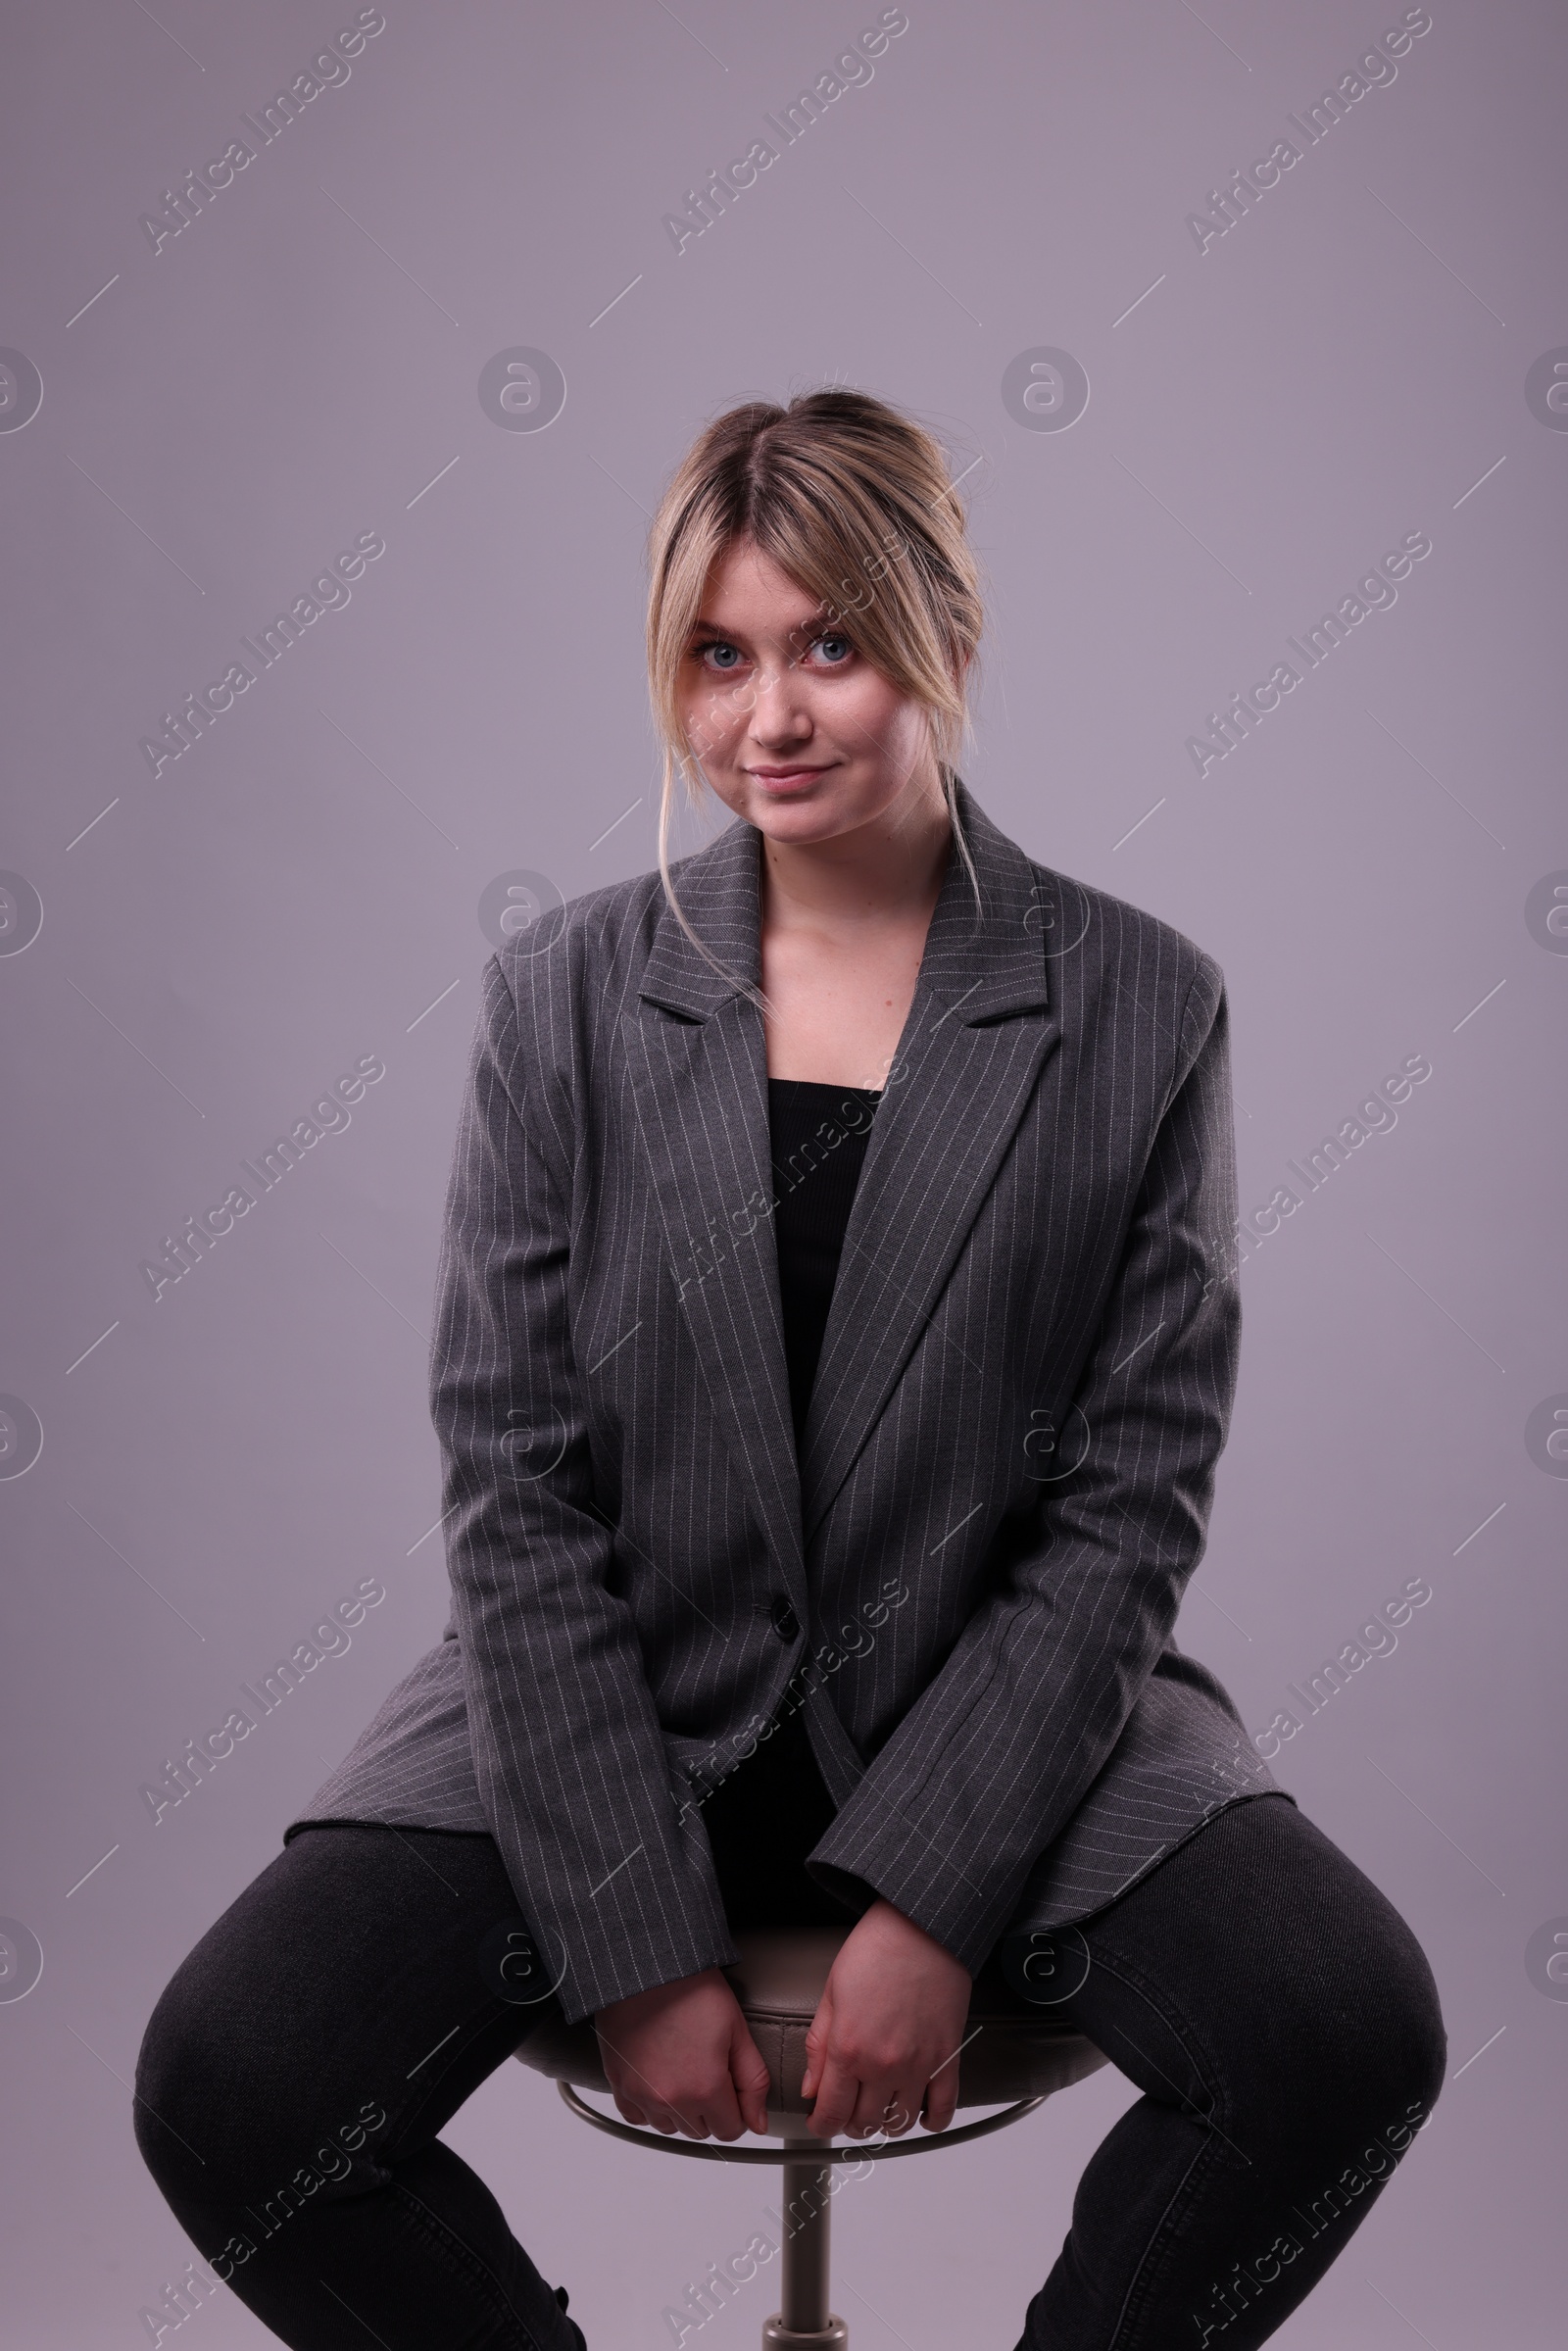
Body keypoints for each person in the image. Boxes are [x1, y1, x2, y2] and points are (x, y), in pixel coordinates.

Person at [134, 388, 1446, 2350]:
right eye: (719, 655)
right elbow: (513, 1485)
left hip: (1005, 1693)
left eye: (829, 644)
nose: (769, 715)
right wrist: (628, 1930)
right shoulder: (564, 997)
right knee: (231, 2086)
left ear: (941, 641)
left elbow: (1120, 1512)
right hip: (617, 1691)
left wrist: (930, 1897)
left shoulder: (1136, 1005)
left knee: (1338, 2032)